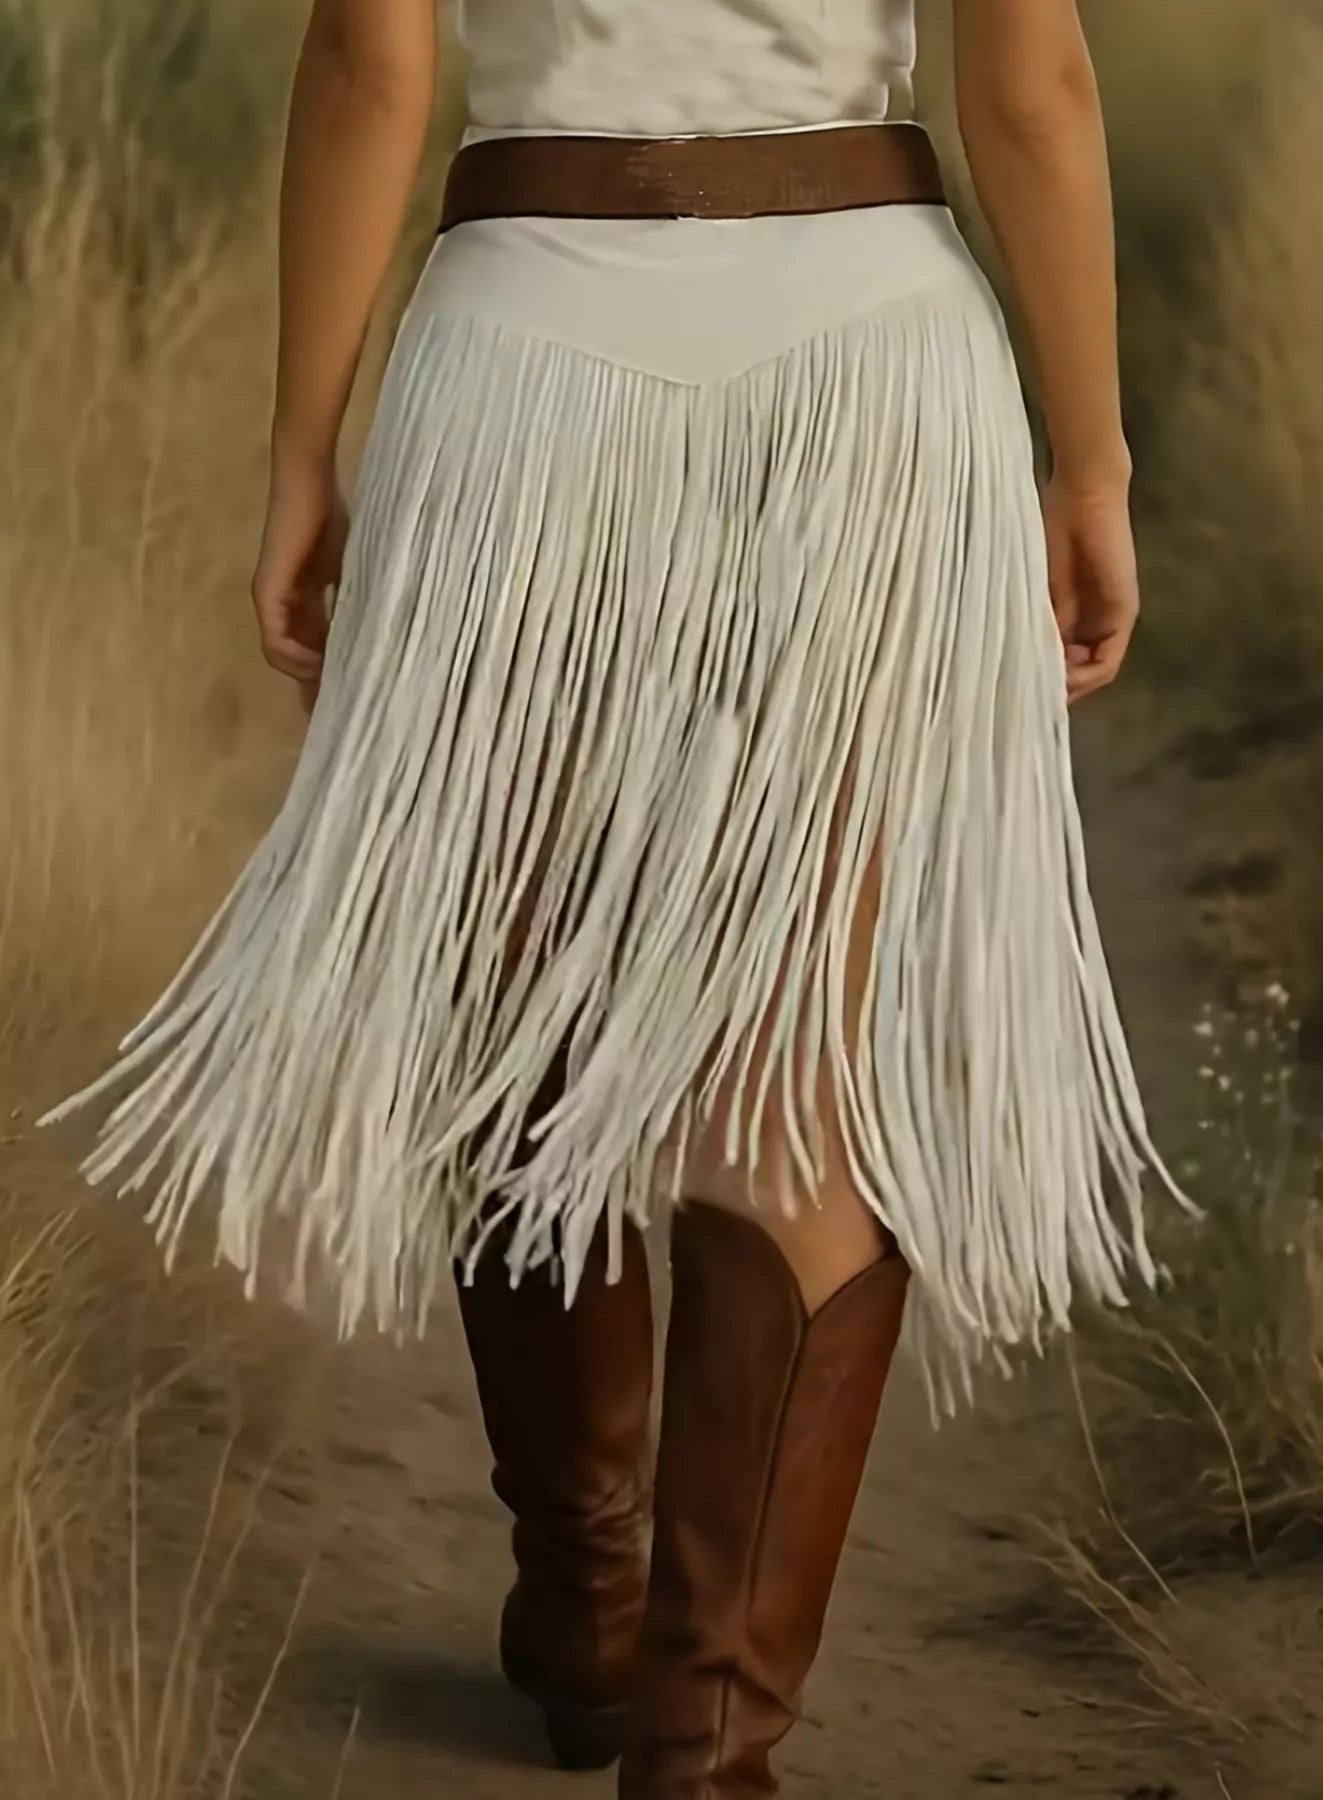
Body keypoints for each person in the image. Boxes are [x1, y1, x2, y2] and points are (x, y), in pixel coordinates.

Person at [43, 0, 1190, 1791]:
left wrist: (299, 450)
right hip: (866, 358)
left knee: (528, 1017)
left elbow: (369, 51)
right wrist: (1093, 461)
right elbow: (1025, 83)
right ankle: (705, 1738)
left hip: (528, 347)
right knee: (788, 1082)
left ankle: (585, 1604)